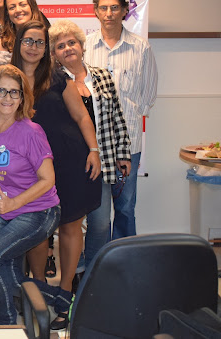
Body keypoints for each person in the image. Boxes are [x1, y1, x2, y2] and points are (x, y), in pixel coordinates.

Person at [11, 20, 102, 330]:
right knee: (38, 229)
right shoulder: (8, 77)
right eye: (28, 40)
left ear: (45, 48)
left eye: (40, 42)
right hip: (30, 166)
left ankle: (64, 295)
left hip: (70, 159)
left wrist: (93, 150)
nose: (33, 47)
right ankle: (38, 291)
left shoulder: (58, 77)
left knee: (70, 226)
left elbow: (81, 116)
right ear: (19, 44)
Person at [0, 65, 60, 325]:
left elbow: (48, 179)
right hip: (9, 213)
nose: (8, 98)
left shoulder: (30, 131)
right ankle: (62, 300)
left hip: (39, 211)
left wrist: (13, 203)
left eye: (15, 92)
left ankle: (6, 319)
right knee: (8, 273)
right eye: (1, 91)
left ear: (23, 98)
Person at [50, 19, 132, 271]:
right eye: (60, 46)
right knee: (70, 223)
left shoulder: (103, 76)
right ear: (54, 55)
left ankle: (94, 272)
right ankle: (74, 272)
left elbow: (117, 117)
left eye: (71, 42)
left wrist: (123, 154)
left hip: (102, 159)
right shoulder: (53, 83)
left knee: (100, 223)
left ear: (82, 45)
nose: (67, 48)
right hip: (69, 163)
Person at [84, 0, 158, 240]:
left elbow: (147, 97)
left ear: (125, 10)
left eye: (114, 7)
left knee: (125, 208)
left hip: (129, 145)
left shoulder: (141, 48)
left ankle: (125, 260)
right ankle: (98, 259)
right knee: (97, 213)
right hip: (94, 144)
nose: (109, 14)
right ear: (96, 11)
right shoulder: (85, 47)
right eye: (103, 8)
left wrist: (128, 123)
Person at [0, 0, 50, 67]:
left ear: (32, 7)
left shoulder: (49, 38)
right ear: (7, 13)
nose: (18, 10)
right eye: (12, 7)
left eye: (23, 5)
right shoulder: (2, 44)